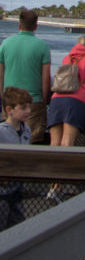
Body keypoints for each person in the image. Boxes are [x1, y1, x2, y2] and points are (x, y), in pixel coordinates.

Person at [0, 9, 51, 144]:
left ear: (19, 25)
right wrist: (44, 99)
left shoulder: (5, 44)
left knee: (7, 139)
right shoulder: (42, 46)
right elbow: (46, 78)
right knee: (32, 141)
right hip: (34, 101)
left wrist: (2, 95)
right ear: (35, 26)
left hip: (9, 101)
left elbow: (0, 72)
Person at [47, 35, 85, 147]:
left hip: (56, 99)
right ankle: (65, 164)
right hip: (76, 101)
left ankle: (52, 164)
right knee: (67, 142)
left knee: (54, 142)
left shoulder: (67, 58)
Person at [0, 87, 32, 229]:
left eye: (29, 107)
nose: (28, 111)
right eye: (23, 108)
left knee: (17, 225)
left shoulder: (27, 130)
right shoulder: (1, 131)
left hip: (17, 188)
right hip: (2, 189)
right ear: (9, 110)